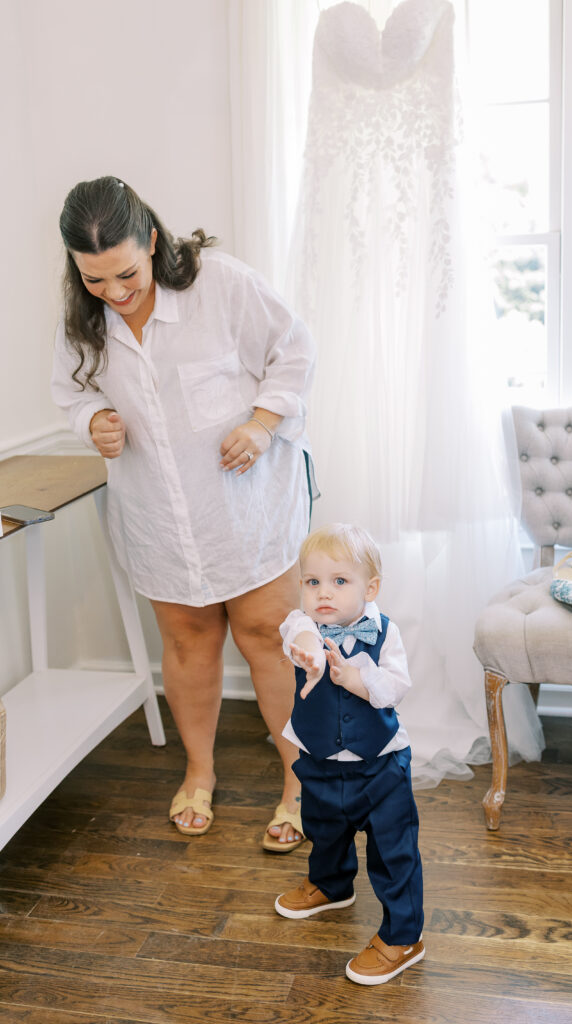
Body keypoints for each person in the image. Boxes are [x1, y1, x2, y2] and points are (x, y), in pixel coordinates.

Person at [51, 175, 316, 849]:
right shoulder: (84, 315)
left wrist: (260, 423)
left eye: (126, 275)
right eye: (94, 280)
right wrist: (95, 420)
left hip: (244, 508)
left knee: (266, 637)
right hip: (159, 515)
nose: (113, 293)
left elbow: (294, 351)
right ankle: (199, 769)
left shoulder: (220, 284)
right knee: (187, 641)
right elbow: (69, 392)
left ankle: (300, 780)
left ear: (154, 241)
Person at [274, 523, 425, 985]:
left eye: (340, 582)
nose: (324, 593)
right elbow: (294, 636)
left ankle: (403, 936)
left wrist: (352, 676)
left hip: (380, 766)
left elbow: (394, 689)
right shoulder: (304, 625)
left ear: (370, 588)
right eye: (313, 581)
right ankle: (331, 884)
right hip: (319, 760)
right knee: (325, 829)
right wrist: (312, 657)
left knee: (392, 852)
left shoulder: (385, 633)